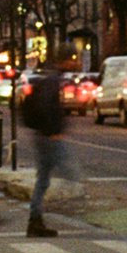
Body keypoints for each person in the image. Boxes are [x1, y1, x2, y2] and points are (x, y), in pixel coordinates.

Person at [23, 55, 80, 237]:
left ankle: (35, 220)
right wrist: (52, 131)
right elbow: (45, 107)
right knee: (68, 172)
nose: (75, 63)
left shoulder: (50, 79)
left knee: (44, 178)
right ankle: (80, 206)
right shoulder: (52, 81)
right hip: (48, 136)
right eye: (71, 59)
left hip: (44, 134)